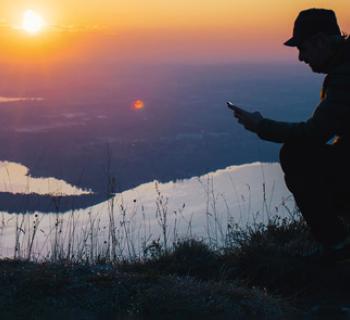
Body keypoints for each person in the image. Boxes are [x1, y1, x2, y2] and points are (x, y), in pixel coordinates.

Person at [229, 8, 350, 260]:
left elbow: (314, 133)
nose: (301, 58)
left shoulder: (345, 76)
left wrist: (261, 126)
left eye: (302, 48)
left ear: (320, 41)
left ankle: (338, 245)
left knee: (296, 155)